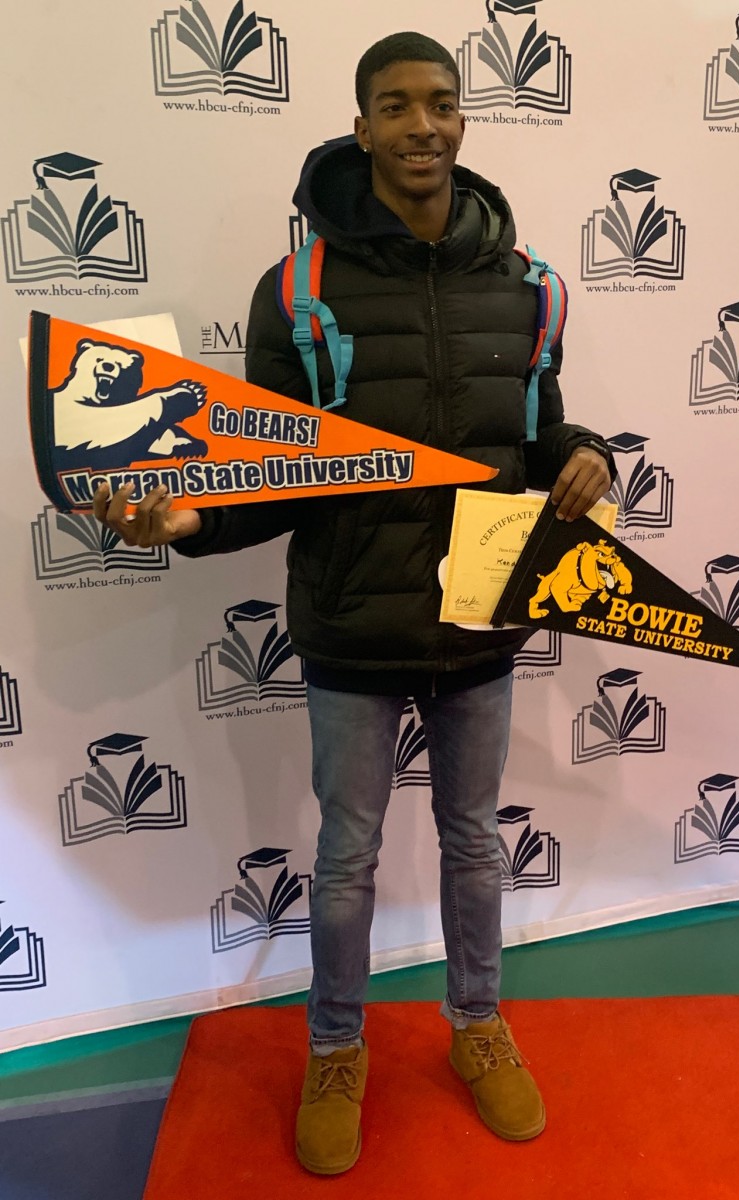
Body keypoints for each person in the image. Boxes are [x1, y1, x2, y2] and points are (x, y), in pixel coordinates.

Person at [93, 31, 615, 1177]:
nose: (422, 125)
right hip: (351, 626)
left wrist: (584, 459)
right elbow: (274, 466)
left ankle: (477, 1026)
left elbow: (534, 432)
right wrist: (188, 520)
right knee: (347, 859)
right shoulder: (300, 292)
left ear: (464, 118)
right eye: (396, 105)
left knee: (476, 845)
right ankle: (337, 1046)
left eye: (441, 103)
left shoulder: (527, 285)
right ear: (363, 124)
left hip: (482, 615)